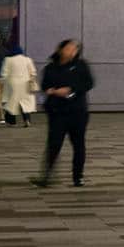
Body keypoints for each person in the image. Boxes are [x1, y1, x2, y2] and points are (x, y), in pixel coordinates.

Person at [32, 39, 94, 187]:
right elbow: (45, 85)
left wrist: (70, 90)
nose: (72, 52)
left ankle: (78, 177)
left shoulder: (81, 65)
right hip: (57, 111)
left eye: (75, 49)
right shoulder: (51, 67)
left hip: (77, 112)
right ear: (60, 49)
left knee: (78, 145)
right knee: (54, 144)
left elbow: (88, 83)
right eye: (69, 48)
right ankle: (46, 176)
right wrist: (53, 91)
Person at [0, 45, 35, 127]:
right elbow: (33, 72)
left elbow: (4, 73)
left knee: (11, 102)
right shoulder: (27, 60)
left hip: (12, 84)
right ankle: (27, 120)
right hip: (25, 83)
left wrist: (2, 82)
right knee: (25, 103)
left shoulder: (8, 60)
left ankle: (12, 122)